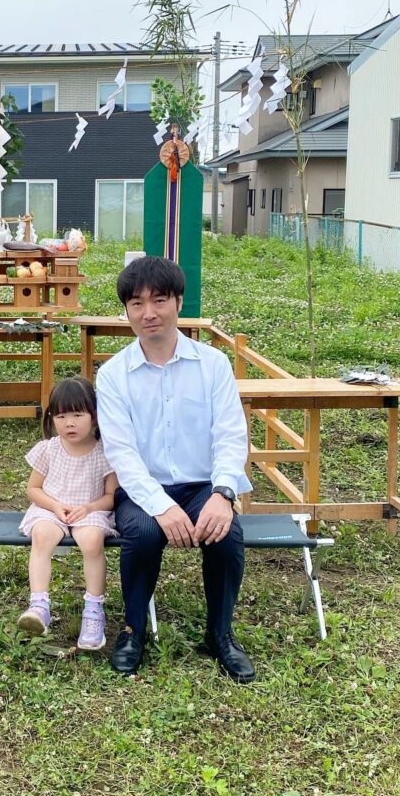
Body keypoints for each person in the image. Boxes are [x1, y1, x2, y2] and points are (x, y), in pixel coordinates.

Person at [95, 256, 255, 682]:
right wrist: (161, 507)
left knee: (226, 532)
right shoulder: (112, 376)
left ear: (178, 302)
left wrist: (224, 494)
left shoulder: (213, 365)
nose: (149, 313)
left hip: (203, 483)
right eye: (136, 304)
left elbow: (230, 435)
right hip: (143, 488)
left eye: (159, 300)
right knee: (144, 533)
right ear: (126, 311)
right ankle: (133, 631)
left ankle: (220, 634)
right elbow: (122, 453)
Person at [17, 376, 119, 651]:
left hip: (90, 509)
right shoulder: (49, 449)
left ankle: (94, 610)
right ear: (51, 418)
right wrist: (53, 506)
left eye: (77, 414)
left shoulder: (104, 452)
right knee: (41, 535)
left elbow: (111, 498)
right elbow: (33, 489)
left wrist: (89, 507)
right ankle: (39, 605)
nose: (69, 423)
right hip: (52, 508)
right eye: (61, 416)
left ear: (94, 417)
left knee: (92, 541)